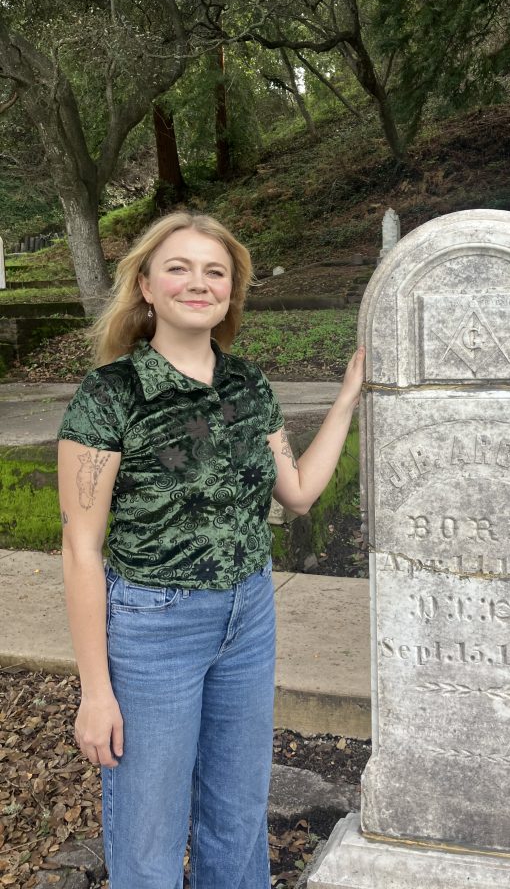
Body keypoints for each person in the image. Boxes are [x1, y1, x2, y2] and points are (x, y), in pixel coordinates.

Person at [56, 211, 365, 889]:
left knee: (237, 815)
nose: (199, 283)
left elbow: (298, 493)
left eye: (215, 272)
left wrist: (346, 399)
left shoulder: (248, 385)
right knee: (149, 836)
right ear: (145, 285)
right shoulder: (112, 395)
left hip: (248, 615)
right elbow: (80, 548)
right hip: (154, 627)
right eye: (179, 268)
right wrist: (95, 692)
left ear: (231, 292)